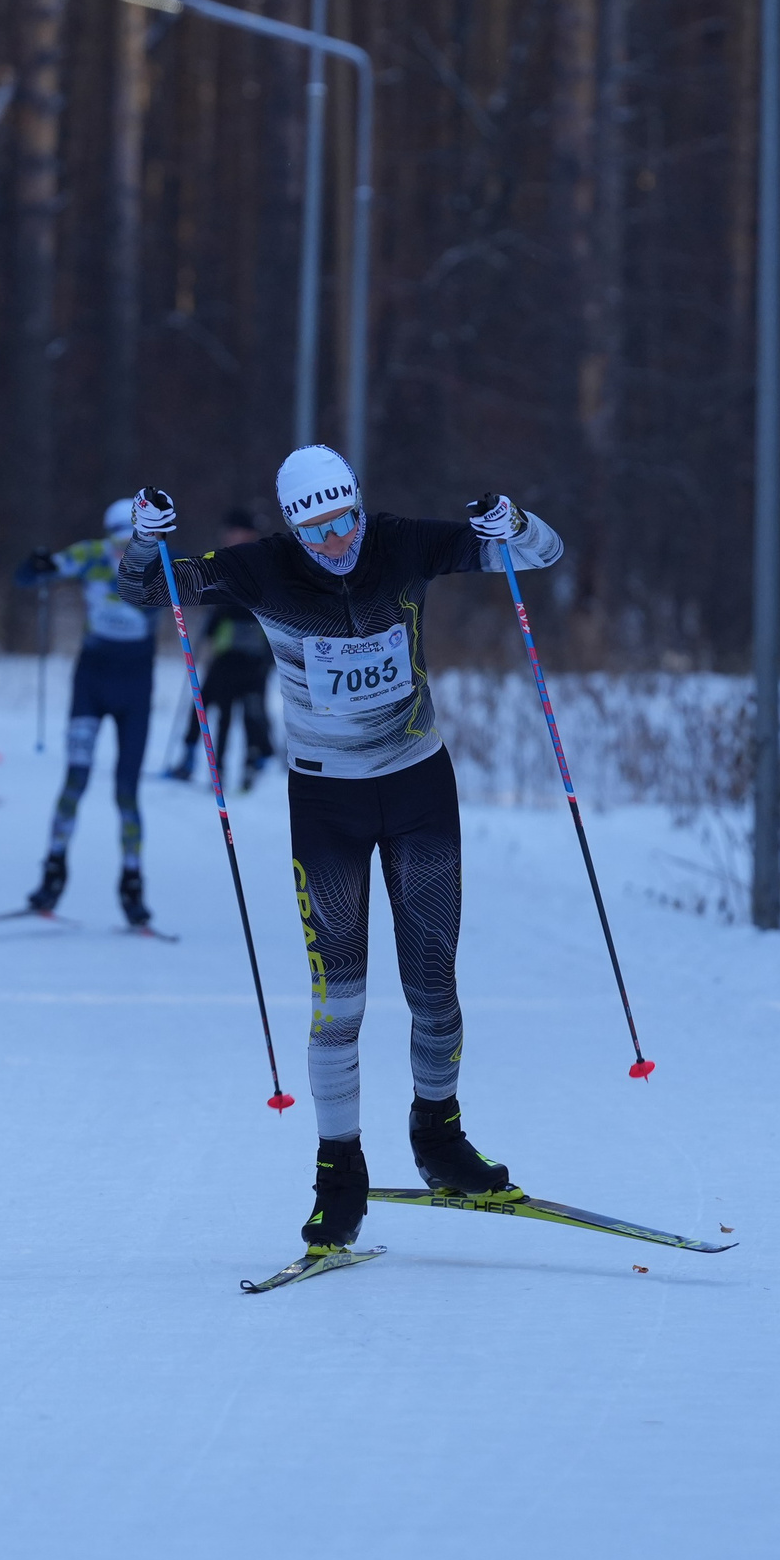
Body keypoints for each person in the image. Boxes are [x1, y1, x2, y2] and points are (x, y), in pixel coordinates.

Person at [117, 446, 564, 1253]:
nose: (336, 542)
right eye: (315, 530)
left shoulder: (402, 543)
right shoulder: (261, 568)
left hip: (420, 790)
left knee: (434, 983)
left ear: (361, 503)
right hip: (328, 806)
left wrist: (516, 522)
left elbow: (538, 555)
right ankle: (338, 1175)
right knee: (340, 1001)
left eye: (345, 520)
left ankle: (440, 1139)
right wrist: (145, 539)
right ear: (293, 528)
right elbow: (149, 590)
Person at [13, 498, 163, 928]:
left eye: (133, 542)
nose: (124, 551)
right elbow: (29, 577)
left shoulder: (158, 561)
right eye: (119, 542)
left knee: (126, 790)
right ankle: (52, 874)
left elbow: (199, 586)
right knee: (75, 779)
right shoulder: (90, 555)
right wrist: (36, 565)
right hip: (92, 683)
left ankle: (132, 886)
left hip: (135, 688)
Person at [162, 508, 277, 791]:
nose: (227, 536)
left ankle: (251, 760)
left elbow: (254, 605)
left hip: (253, 653)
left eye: (233, 531)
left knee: (246, 709)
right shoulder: (227, 558)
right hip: (228, 651)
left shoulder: (259, 560)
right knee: (206, 702)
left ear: (248, 533)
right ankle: (196, 760)